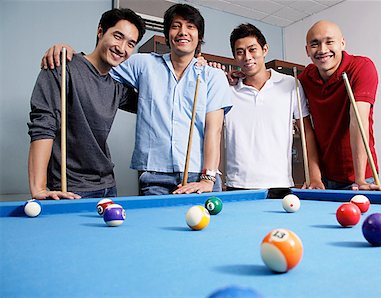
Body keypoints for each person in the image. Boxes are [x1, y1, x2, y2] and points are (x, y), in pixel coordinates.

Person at [42, 4, 232, 196]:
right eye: (176, 26)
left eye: (191, 26)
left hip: (198, 175)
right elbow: (99, 63)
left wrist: (208, 178)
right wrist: (69, 54)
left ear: (199, 37)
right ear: (167, 35)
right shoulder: (143, 64)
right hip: (154, 177)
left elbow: (213, 130)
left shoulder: (212, 76)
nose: (183, 32)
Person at [28, 8, 146, 200]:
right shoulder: (63, 66)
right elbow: (43, 125)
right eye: (118, 36)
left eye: (130, 44)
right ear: (100, 31)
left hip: (108, 186)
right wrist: (39, 188)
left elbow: (155, 103)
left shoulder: (117, 87)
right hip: (70, 188)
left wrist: (198, 66)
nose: (122, 48)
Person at [221, 23, 323, 197]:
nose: (247, 57)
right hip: (237, 185)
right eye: (240, 52)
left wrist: (315, 176)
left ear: (265, 49)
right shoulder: (226, 90)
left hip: (280, 184)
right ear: (234, 57)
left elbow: (306, 132)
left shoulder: (291, 84)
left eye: (252, 49)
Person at [299, 20, 381, 190]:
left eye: (329, 42)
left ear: (342, 43)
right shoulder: (306, 77)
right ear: (307, 50)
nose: (323, 50)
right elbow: (279, 86)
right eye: (315, 44)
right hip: (325, 177)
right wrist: (241, 77)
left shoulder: (361, 67)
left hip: (361, 177)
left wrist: (359, 180)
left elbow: (357, 122)